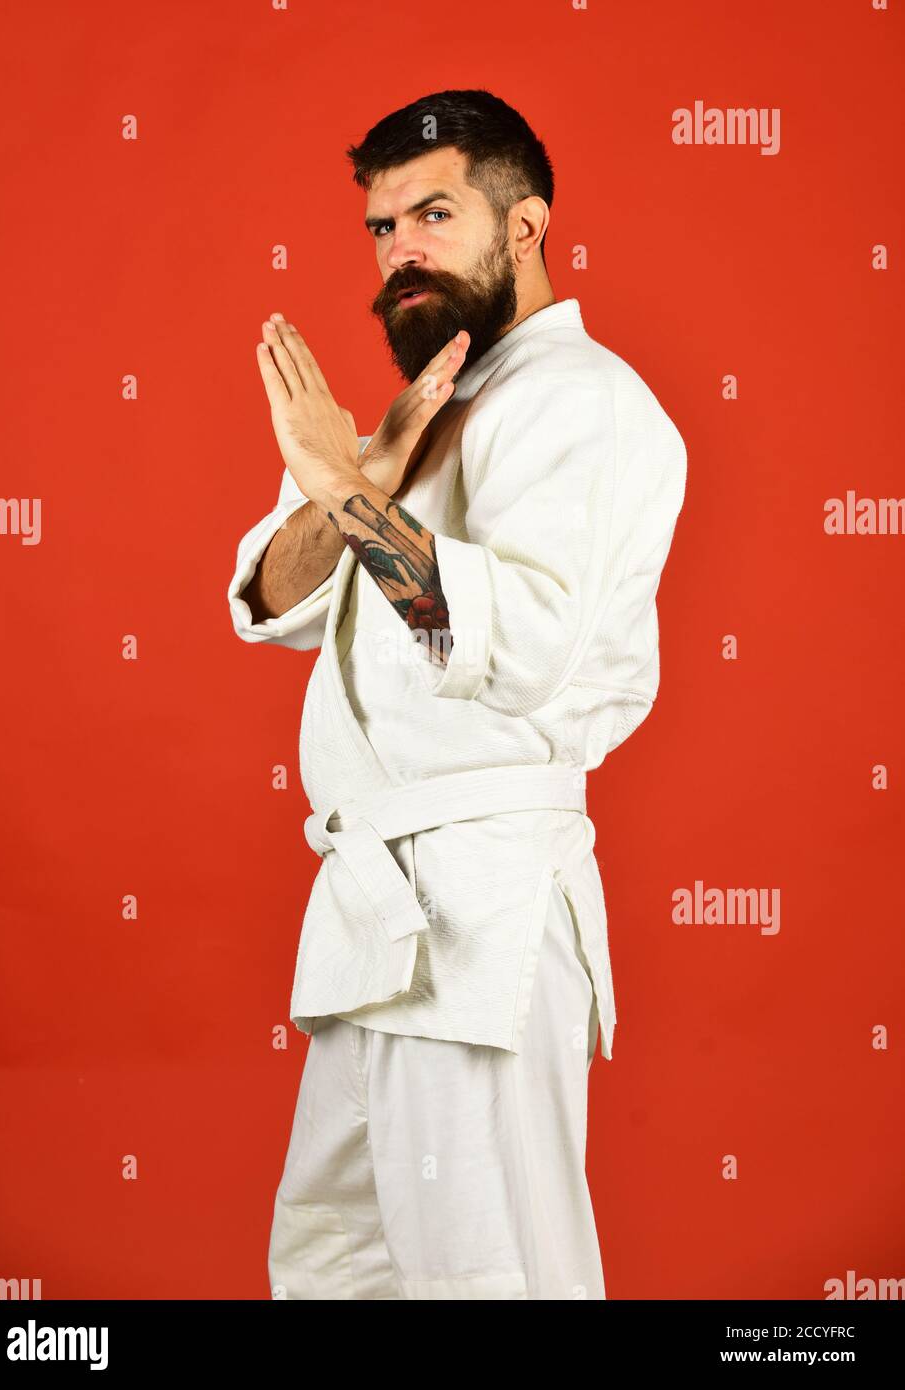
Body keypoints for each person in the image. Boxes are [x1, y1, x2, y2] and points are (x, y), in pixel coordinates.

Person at [227, 89, 687, 1300]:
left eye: (434, 213)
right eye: (382, 227)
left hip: (484, 916)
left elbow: (514, 645)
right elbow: (270, 603)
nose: (401, 251)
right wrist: (354, 479)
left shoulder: (587, 404)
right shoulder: (416, 412)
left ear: (524, 224)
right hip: (368, 924)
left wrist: (346, 484)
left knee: (490, 1278)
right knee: (332, 1270)